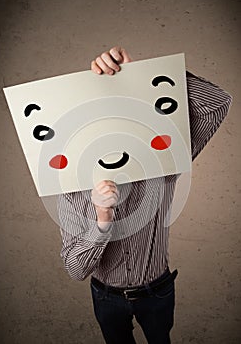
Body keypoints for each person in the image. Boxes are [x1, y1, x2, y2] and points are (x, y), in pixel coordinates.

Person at [58, 47, 232, 344]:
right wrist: (101, 221)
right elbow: (76, 269)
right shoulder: (70, 189)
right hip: (106, 297)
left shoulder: (161, 164)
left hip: (157, 291)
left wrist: (144, 79)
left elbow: (215, 104)